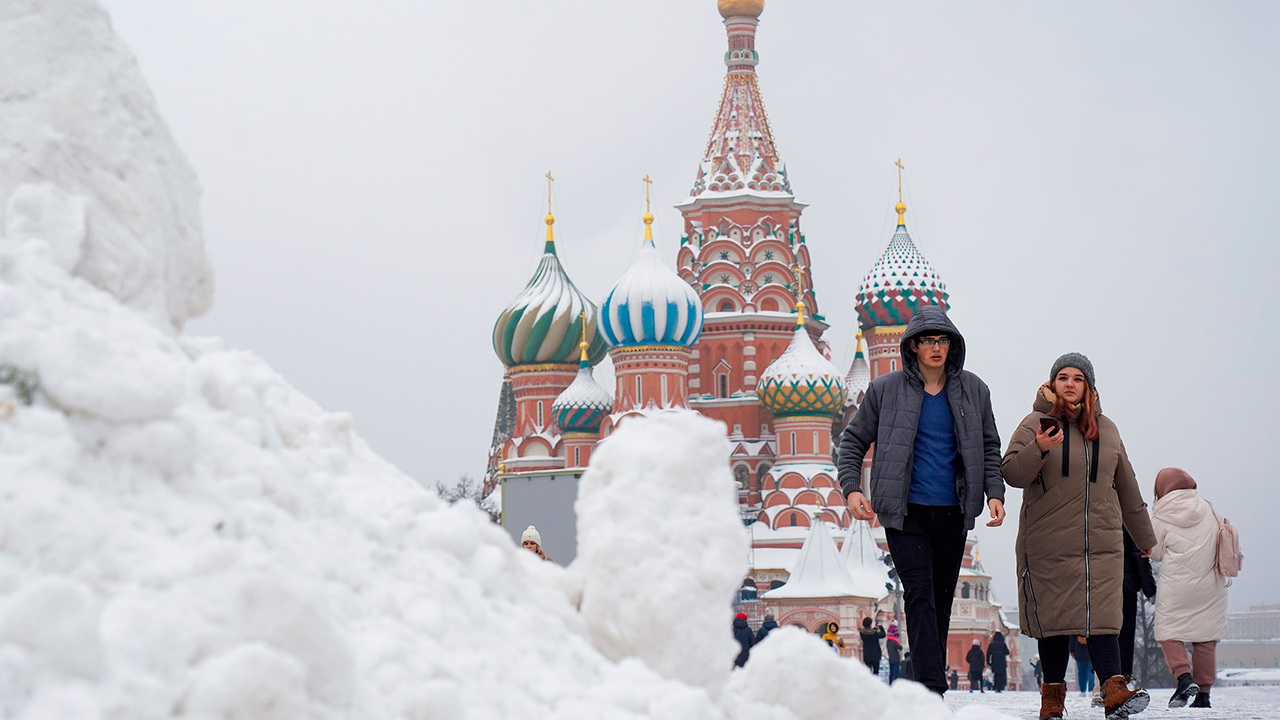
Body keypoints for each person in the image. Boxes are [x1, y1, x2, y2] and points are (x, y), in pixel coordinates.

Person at [837, 306, 1006, 696]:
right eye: (928, 340)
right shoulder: (885, 389)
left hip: (953, 511)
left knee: (941, 598)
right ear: (912, 346)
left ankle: (925, 678)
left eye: (942, 340)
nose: (935, 347)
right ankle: (932, 686)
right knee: (919, 593)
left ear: (952, 345)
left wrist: (994, 492)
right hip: (904, 511)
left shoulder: (974, 390)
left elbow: (988, 446)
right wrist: (852, 489)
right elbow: (853, 441)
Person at [1002, 353, 1157, 720]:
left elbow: (1128, 487)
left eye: (1077, 378)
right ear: (1052, 383)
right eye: (1062, 377)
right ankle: (1052, 698)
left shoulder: (1108, 429)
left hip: (1100, 542)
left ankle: (1114, 691)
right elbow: (1011, 472)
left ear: (1088, 385)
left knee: (1102, 618)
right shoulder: (1034, 423)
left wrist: (1143, 537)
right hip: (1048, 541)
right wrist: (1039, 447)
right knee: (1054, 623)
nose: (1070, 384)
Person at [1151, 467, 1228, 709]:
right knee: (1205, 639)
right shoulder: (1208, 507)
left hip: (1177, 585)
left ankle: (1184, 677)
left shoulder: (1161, 515)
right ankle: (1204, 695)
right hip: (1211, 584)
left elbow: (1155, 552)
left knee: (1168, 632)